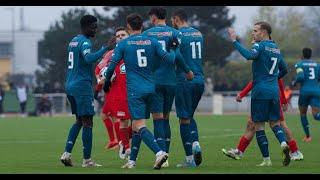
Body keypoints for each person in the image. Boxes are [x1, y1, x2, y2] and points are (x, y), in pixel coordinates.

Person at [103, 13, 176, 169]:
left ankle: (159, 153)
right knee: (143, 124)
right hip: (151, 88)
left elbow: (111, 66)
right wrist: (174, 49)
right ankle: (132, 161)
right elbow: (169, 60)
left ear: (128, 27)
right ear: (142, 25)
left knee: (138, 125)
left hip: (135, 90)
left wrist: (107, 82)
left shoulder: (124, 44)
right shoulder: (153, 41)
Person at [227, 21, 290, 166]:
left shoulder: (259, 46)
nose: (252, 33)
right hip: (274, 91)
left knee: (259, 126)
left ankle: (266, 160)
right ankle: (283, 144)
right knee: (275, 123)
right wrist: (273, 77)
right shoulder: (276, 49)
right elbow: (285, 69)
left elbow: (249, 55)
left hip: (260, 92)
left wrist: (234, 41)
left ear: (264, 32)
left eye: (255, 31)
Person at [143, 7, 194, 168]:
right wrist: (187, 70)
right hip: (171, 81)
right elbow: (177, 55)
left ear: (153, 17)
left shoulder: (146, 35)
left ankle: (163, 157)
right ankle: (166, 154)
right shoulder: (175, 33)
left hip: (154, 81)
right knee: (166, 118)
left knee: (157, 118)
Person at [60, 14, 109, 168]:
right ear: (86, 26)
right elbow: (88, 59)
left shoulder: (73, 41)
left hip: (70, 85)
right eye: (94, 26)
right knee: (88, 122)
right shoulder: (85, 42)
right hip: (81, 86)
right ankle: (87, 160)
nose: (96, 29)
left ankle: (66, 154)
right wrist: (105, 48)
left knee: (79, 121)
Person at [222, 79, 304, 161]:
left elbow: (278, 79)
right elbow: (256, 80)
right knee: (251, 124)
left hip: (270, 98)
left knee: (280, 125)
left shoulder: (267, 67)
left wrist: (283, 100)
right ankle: (239, 151)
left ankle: (295, 151)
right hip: (263, 97)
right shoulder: (263, 68)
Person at [171, 9, 204, 167]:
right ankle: (196, 142)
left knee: (183, 119)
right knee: (190, 116)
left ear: (177, 19)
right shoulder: (198, 34)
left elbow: (177, 55)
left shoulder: (177, 35)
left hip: (185, 80)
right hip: (200, 80)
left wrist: (186, 70)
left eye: (173, 20)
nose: (172, 23)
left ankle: (190, 159)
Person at [95, 27, 132, 159]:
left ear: (129, 36)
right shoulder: (111, 54)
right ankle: (123, 144)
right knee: (118, 118)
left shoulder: (135, 50)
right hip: (117, 92)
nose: (121, 37)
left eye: (123, 35)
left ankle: (121, 141)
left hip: (136, 92)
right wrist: (99, 84)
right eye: (118, 36)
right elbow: (100, 70)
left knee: (136, 124)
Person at [292, 47, 320, 142]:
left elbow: (300, 76)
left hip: (305, 91)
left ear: (302, 54)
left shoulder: (299, 64)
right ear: (311, 55)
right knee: (316, 115)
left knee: (303, 113)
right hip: (316, 91)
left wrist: (294, 82)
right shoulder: (317, 65)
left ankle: (308, 136)